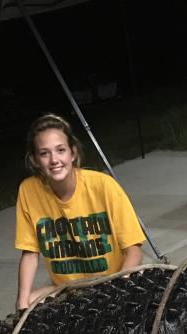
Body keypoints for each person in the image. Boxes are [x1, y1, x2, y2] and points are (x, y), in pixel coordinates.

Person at [14, 113, 145, 310]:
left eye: (60, 150)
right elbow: (30, 253)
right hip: (67, 288)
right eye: (44, 153)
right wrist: (21, 303)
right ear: (34, 160)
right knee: (30, 300)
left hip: (113, 282)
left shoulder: (103, 185)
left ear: (72, 153)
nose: (54, 160)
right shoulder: (28, 191)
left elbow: (134, 250)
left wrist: (118, 288)